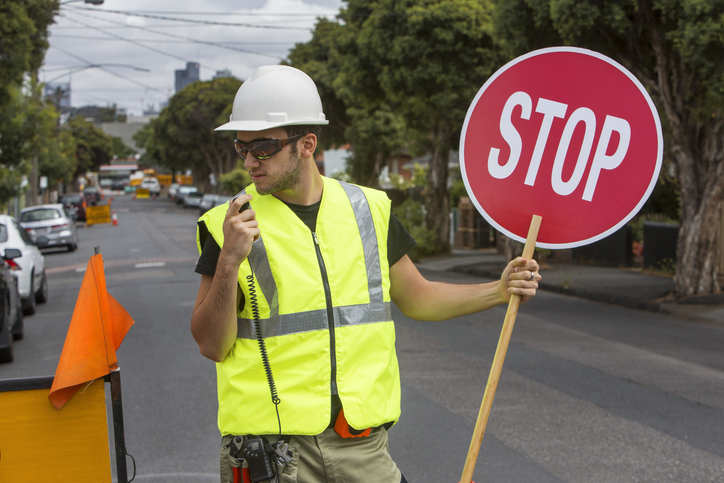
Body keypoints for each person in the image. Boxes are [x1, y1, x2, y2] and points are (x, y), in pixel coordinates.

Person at [191, 65, 541, 483]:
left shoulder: (368, 209)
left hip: (362, 447)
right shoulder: (226, 224)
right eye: (241, 147)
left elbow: (418, 297)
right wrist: (229, 260)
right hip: (271, 454)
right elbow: (212, 345)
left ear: (307, 144)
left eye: (263, 147)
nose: (250, 161)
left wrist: (498, 291)